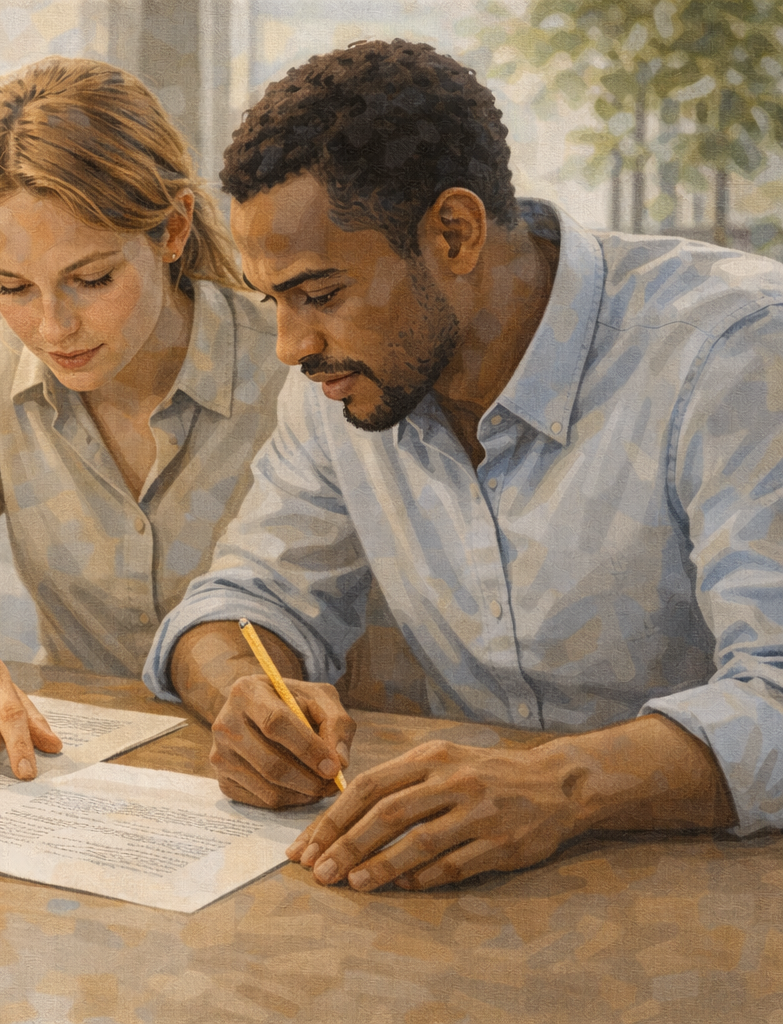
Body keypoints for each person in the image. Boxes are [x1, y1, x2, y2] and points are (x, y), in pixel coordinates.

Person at [146, 39, 779, 891]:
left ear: (455, 233)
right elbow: (243, 602)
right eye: (276, 302)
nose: (291, 346)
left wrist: (558, 787)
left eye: (320, 295)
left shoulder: (737, 351)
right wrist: (244, 695)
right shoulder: (343, 384)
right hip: (477, 891)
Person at [0, 57, 287, 780]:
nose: (52, 327)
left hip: (302, 760)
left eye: (92, 278)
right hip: (88, 773)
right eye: (12, 287)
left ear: (173, 230)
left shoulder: (291, 362)